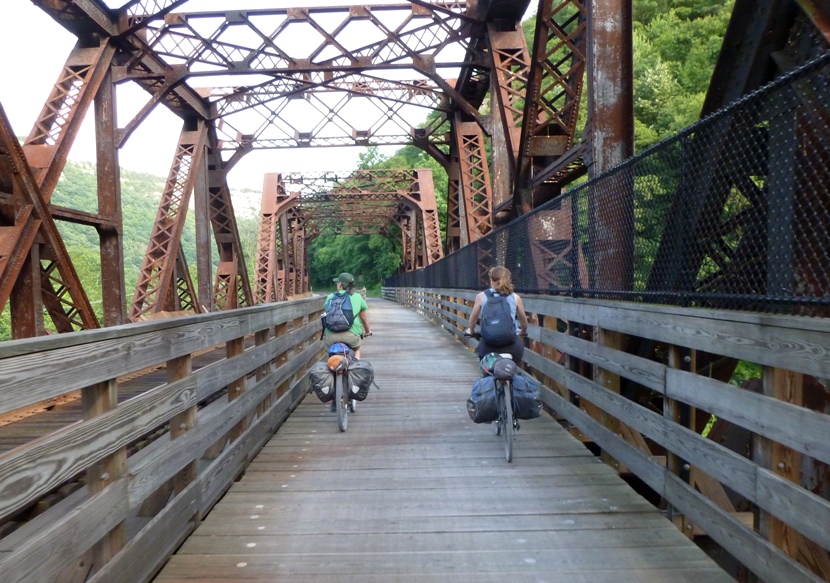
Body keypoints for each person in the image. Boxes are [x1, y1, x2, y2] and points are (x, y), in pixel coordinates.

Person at [464, 266, 528, 365]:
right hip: (512, 346)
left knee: (484, 364)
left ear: (491, 280)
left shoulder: (481, 296)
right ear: (508, 279)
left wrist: (471, 331)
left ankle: (487, 378)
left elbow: (473, 320)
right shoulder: (516, 297)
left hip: (488, 346)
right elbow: (523, 321)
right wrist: (523, 331)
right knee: (515, 363)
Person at [323, 272, 371, 359]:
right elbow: (364, 319)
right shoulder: (357, 297)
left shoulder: (330, 297)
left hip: (331, 336)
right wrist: (367, 331)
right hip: (351, 336)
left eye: (337, 283)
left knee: (330, 352)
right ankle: (356, 367)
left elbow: (325, 316)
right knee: (356, 349)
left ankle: (331, 367)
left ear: (340, 285)